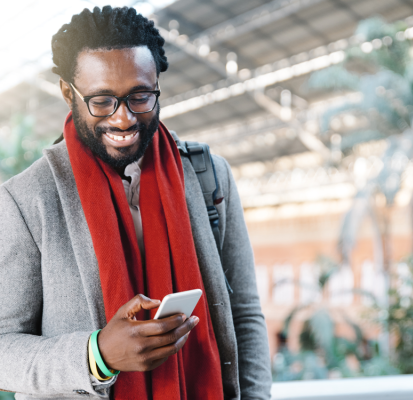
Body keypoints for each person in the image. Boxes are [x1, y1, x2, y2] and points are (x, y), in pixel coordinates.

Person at [0, 6, 271, 399]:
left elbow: (243, 314)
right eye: (102, 101)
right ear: (66, 92)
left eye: (139, 97)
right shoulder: (27, 200)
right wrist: (97, 353)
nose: (124, 119)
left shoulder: (208, 175)